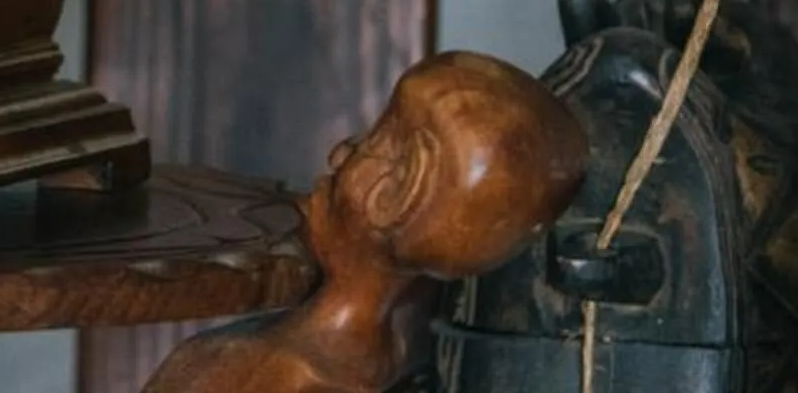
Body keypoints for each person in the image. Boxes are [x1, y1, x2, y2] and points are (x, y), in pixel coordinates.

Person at [148, 51, 588, 393]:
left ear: (391, 197)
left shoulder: (255, 374)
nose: (340, 152)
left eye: (376, 142)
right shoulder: (405, 349)